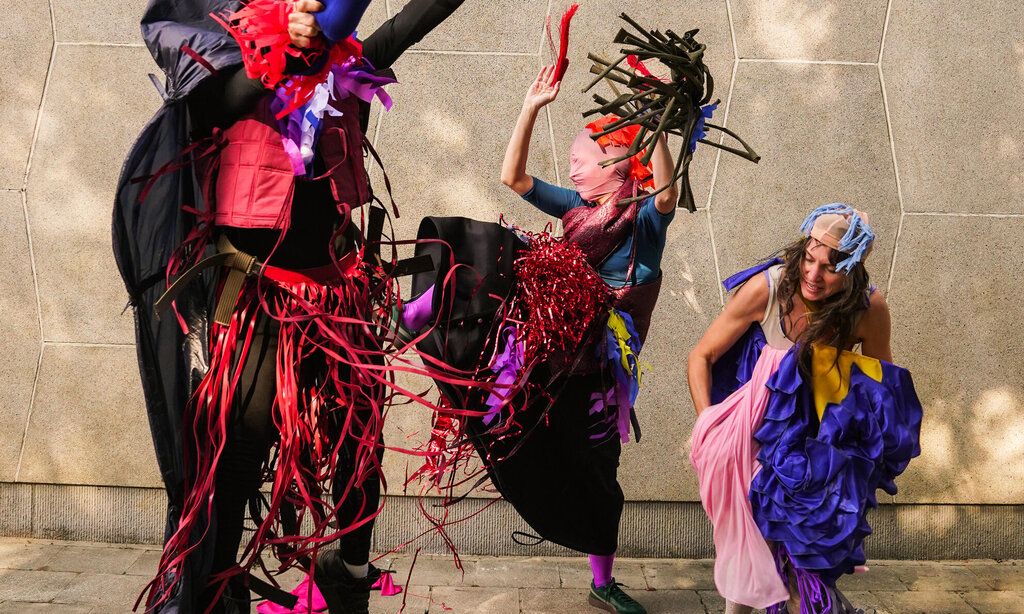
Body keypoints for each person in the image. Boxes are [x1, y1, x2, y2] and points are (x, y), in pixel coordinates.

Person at [113, 1, 465, 611]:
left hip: (339, 299)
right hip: (257, 301)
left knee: (360, 447)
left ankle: (349, 573)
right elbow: (214, 102)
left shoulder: (348, 66)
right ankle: (215, 590)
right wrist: (283, 54)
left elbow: (419, 15)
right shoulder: (223, 72)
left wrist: (320, 48)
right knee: (237, 452)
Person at [687, 204, 922, 614]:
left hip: (816, 444)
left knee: (804, 554)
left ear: (852, 268)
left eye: (830, 267)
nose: (813, 275)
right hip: (756, 433)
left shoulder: (868, 309)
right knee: (753, 545)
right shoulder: (769, 288)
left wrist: (863, 454)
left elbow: (881, 391)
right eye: (809, 259)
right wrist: (708, 424)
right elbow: (702, 356)